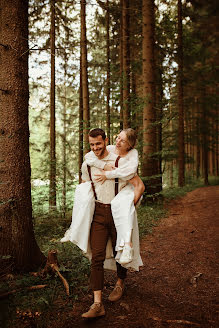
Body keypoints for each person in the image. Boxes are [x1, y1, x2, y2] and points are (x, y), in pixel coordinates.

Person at [61, 128, 143, 318]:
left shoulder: (119, 162)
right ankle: (97, 303)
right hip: (98, 213)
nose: (96, 148)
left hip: (117, 213)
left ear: (106, 141)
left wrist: (129, 208)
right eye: (92, 145)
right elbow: (83, 184)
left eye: (99, 143)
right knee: (96, 256)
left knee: (119, 250)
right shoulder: (88, 163)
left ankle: (120, 283)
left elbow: (138, 185)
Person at [85, 128, 145, 265]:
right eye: (118, 137)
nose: (118, 142)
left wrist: (108, 174)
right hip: (113, 196)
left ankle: (127, 246)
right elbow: (88, 157)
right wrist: (104, 165)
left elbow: (129, 173)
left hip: (129, 190)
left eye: (123, 140)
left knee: (122, 204)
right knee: (117, 204)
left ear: (129, 145)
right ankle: (124, 248)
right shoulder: (111, 148)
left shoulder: (132, 154)